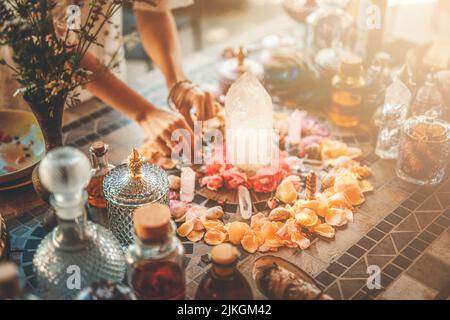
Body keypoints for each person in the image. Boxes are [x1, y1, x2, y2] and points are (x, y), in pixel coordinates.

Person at [0, 0, 216, 155]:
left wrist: (178, 82)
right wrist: (144, 112)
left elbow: (151, 8)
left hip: (101, 69)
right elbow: (60, 44)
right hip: (32, 82)